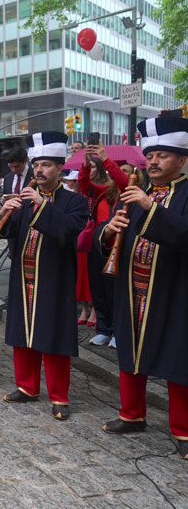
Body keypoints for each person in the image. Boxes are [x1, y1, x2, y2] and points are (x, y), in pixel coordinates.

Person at [96, 117, 188, 459]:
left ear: (182, 160)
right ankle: (132, 414)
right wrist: (107, 232)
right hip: (132, 286)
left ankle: (183, 429)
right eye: (149, 156)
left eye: (162, 156)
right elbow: (111, 234)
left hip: (173, 289)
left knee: (178, 356)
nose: (153, 162)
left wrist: (152, 209)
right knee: (130, 349)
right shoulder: (140, 193)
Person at [0, 132, 89, 420]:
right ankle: (27, 387)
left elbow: (68, 230)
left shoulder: (75, 201)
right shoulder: (25, 199)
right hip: (23, 275)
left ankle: (59, 397)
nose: (39, 170)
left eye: (46, 165)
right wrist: (4, 214)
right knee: (22, 332)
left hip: (54, 279)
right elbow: (10, 234)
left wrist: (42, 204)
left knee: (54, 335)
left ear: (59, 168)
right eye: (36, 165)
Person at [79, 145, 128, 346]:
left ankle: (118, 332)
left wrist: (107, 161)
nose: (120, 173)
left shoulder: (130, 194)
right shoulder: (104, 192)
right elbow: (84, 185)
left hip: (119, 248)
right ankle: (105, 329)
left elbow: (124, 182)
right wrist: (85, 164)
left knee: (116, 292)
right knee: (99, 290)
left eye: (126, 170)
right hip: (98, 246)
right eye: (119, 170)